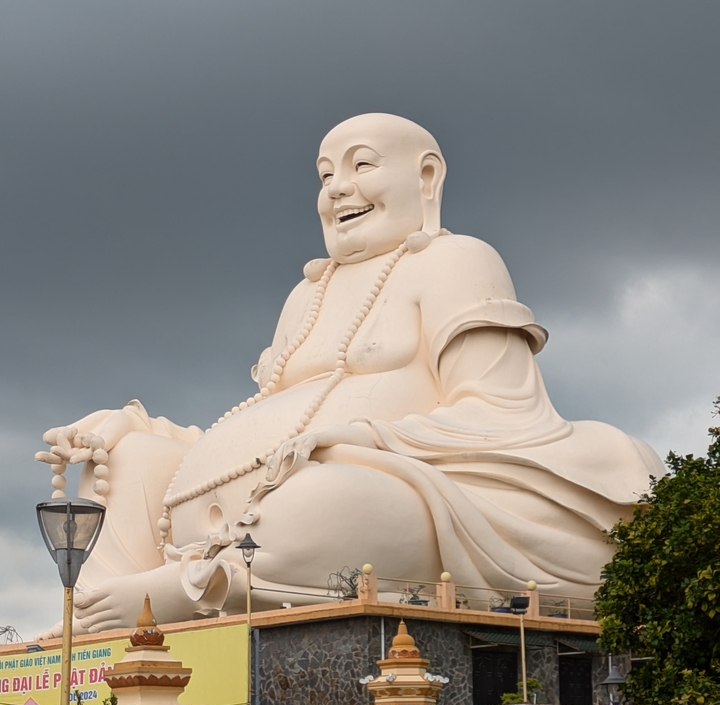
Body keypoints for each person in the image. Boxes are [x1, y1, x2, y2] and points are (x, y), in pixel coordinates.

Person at [36, 113, 662, 633]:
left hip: (401, 481)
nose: (338, 188)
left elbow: (504, 413)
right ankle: (98, 616)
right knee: (139, 457)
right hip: (264, 498)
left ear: (426, 176)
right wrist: (138, 431)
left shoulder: (457, 260)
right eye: (325, 174)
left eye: (362, 165)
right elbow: (254, 429)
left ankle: (187, 589)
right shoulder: (306, 295)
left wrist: (359, 440)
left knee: (328, 499)